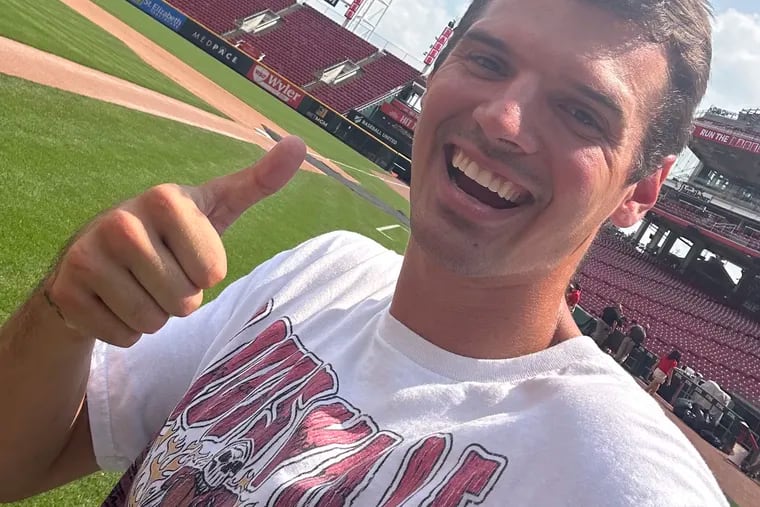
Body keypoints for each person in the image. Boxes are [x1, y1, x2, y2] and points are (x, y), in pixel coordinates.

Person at [0, 0, 727, 505]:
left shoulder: (622, 476)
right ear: (439, 67)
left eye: (580, 111)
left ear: (641, 189)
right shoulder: (322, 270)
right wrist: (66, 314)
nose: (503, 119)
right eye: (488, 60)